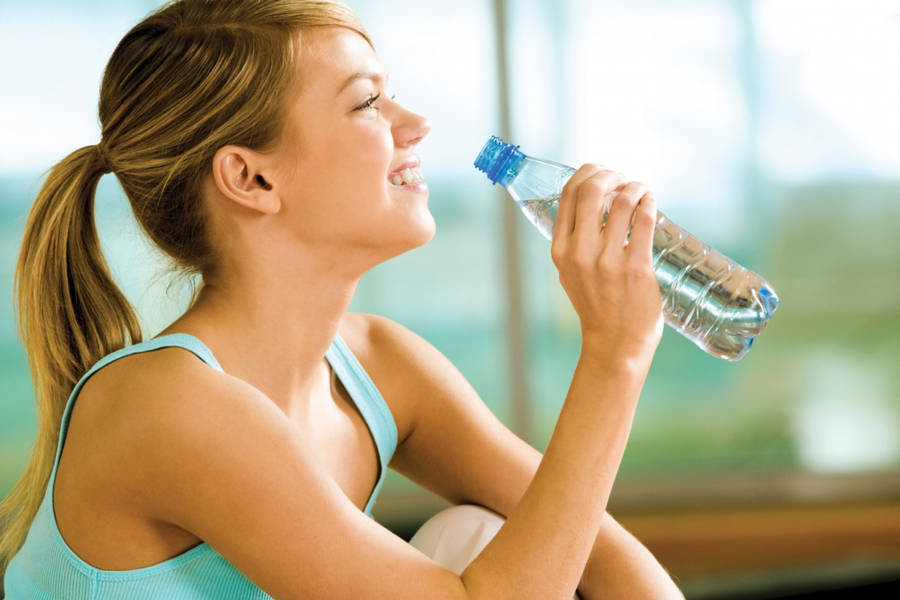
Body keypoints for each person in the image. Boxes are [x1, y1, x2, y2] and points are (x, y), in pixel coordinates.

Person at [0, 0, 683, 598]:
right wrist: (615, 355)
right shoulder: (170, 406)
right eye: (367, 103)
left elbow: (603, 551)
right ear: (251, 177)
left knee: (475, 536)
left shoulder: (379, 368)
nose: (413, 123)